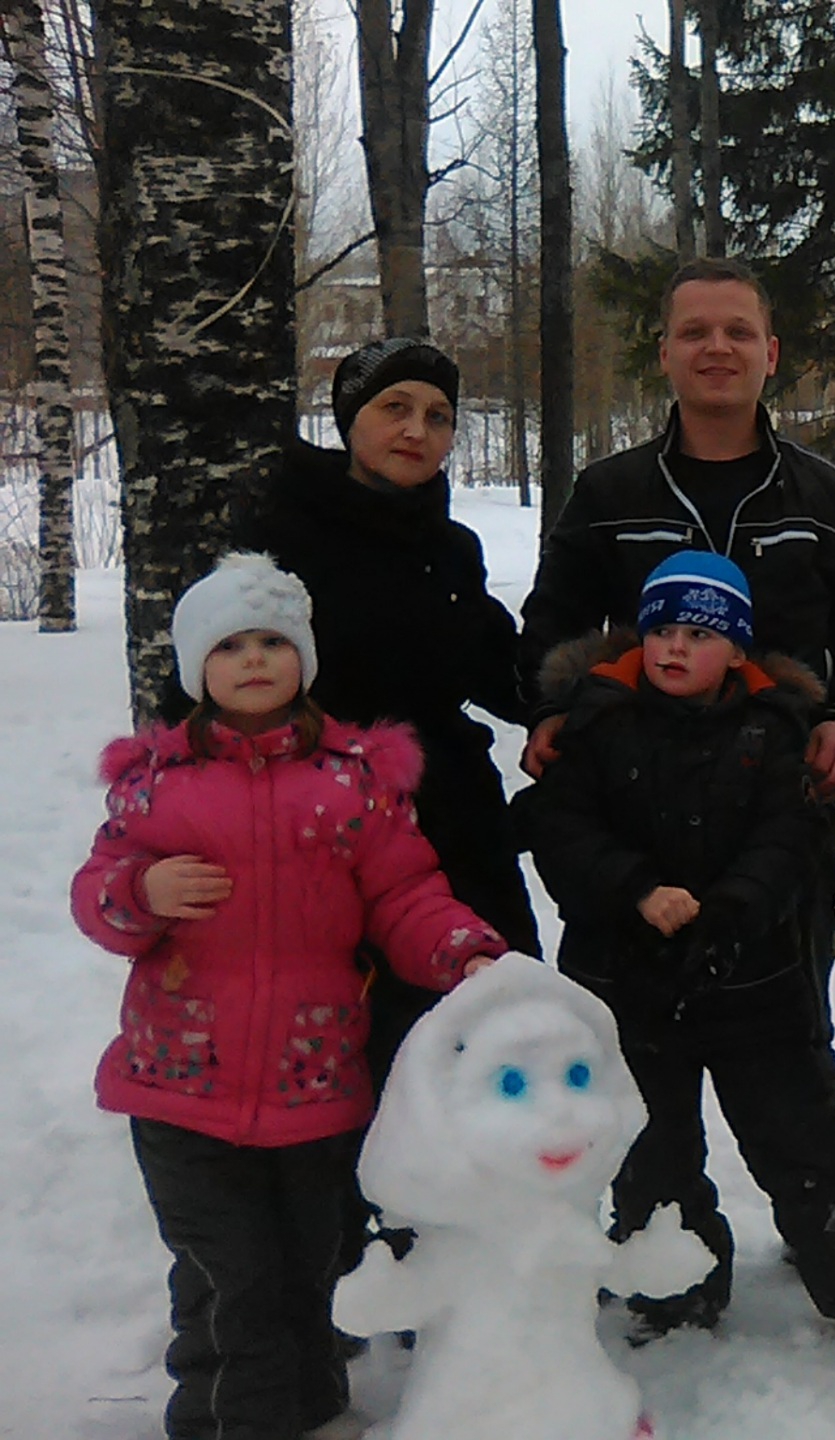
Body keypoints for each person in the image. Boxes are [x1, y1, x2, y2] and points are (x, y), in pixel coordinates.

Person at [70, 553, 508, 1440]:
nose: (255, 659)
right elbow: (98, 891)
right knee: (232, 1274)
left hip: (313, 1081)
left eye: (274, 640)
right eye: (231, 645)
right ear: (199, 667)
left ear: (304, 658)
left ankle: (311, 1410)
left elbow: (403, 895)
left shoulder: (353, 784)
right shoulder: (158, 788)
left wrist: (462, 948)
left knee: (305, 1268)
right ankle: (232, 1423)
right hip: (181, 1081)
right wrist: (141, 894)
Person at [518, 551, 835, 1370]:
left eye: (698, 632)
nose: (673, 646)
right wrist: (635, 891)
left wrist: (734, 907)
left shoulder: (774, 731)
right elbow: (559, 830)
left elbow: (793, 836)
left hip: (753, 979)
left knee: (804, 1146)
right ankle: (673, 1285)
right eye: (661, 627)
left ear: (735, 651)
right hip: (626, 980)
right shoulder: (595, 721)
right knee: (651, 1151)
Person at [516, 261, 835, 1025]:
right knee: (631, 1073)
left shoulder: (823, 495)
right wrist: (551, 711)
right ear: (665, 353)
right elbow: (551, 620)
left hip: (777, 820)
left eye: (738, 331)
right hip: (631, 817)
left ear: (772, 353)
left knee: (786, 1066)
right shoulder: (610, 492)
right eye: (694, 331)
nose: (716, 347)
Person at [241, 337, 539, 1082]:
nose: (417, 431)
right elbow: (229, 680)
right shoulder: (281, 536)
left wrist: (586, 699)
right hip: (326, 823)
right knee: (362, 1047)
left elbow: (500, 666)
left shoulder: (451, 546)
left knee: (501, 1024)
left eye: (439, 417)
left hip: (454, 821)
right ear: (349, 418)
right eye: (395, 408)